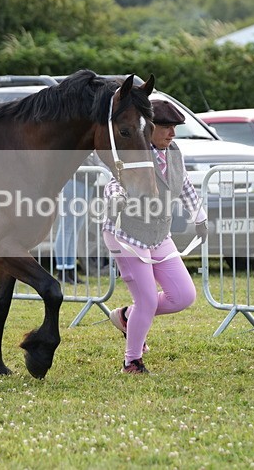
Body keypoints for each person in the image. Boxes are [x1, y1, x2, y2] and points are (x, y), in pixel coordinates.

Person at [102, 99, 208, 374]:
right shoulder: (135, 151)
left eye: (175, 127)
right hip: (126, 234)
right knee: (147, 300)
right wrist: (116, 199)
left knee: (183, 296)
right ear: (148, 128)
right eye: (166, 127)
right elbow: (114, 182)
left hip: (159, 233)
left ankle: (127, 316)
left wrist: (199, 217)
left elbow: (183, 184)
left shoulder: (174, 152)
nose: (172, 133)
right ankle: (132, 361)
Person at [54, 153, 100, 284]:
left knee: (76, 229)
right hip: (73, 179)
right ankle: (62, 270)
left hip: (88, 180)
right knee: (67, 227)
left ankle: (71, 269)